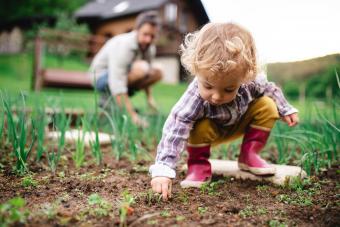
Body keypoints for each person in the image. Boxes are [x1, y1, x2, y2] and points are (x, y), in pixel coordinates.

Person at [149, 22, 299, 200]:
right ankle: (197, 164)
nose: (217, 96)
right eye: (208, 86)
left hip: (238, 123)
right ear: (196, 70)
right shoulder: (194, 96)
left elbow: (270, 89)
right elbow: (176, 126)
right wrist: (163, 169)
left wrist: (285, 109)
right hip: (208, 132)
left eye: (229, 89)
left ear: (244, 77)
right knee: (196, 124)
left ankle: (249, 155)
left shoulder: (250, 81)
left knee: (267, 105)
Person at [89, 11, 163, 127]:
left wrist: (149, 98)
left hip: (122, 76)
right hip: (100, 78)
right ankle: (108, 101)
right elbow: (117, 82)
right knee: (142, 68)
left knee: (157, 72)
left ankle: (117, 103)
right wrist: (133, 116)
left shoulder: (150, 48)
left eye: (152, 36)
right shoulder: (124, 45)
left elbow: (148, 74)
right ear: (137, 30)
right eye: (145, 34)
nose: (148, 40)